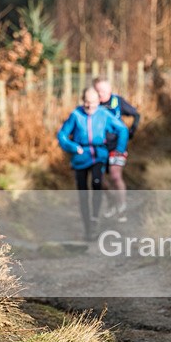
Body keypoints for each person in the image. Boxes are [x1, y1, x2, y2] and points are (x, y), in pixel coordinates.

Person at [57, 87, 129, 241]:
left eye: (94, 103)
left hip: (99, 156)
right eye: (87, 102)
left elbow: (122, 129)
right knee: (83, 193)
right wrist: (73, 147)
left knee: (97, 184)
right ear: (82, 101)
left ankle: (95, 219)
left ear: (99, 102)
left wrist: (119, 150)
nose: (90, 106)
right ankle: (87, 228)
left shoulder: (104, 114)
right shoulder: (76, 115)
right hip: (80, 157)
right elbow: (62, 135)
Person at [93, 78, 140, 222]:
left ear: (109, 90)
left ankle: (121, 208)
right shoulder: (92, 105)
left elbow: (136, 114)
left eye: (103, 91)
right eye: (98, 91)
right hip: (99, 147)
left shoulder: (117, 102)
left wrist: (132, 131)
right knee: (98, 180)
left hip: (117, 146)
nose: (100, 94)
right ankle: (112, 201)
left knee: (115, 175)